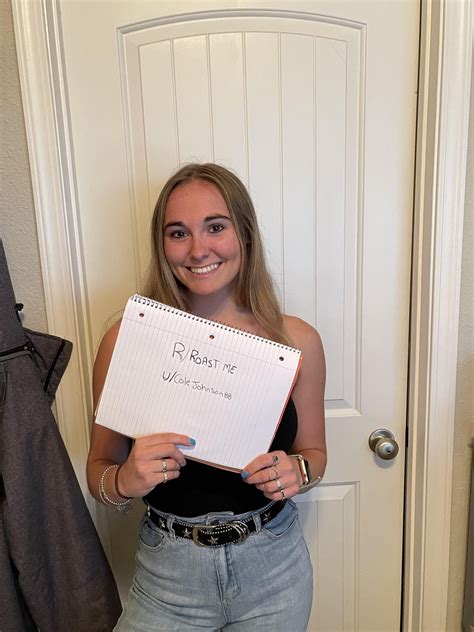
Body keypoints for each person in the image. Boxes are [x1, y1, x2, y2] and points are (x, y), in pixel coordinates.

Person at [87, 163, 327, 631]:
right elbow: (98, 469)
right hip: (168, 575)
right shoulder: (126, 340)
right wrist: (125, 481)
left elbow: (315, 454)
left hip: (274, 570)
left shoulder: (295, 342)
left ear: (245, 233)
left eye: (215, 227)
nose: (198, 250)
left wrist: (296, 472)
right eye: (178, 233)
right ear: (162, 244)